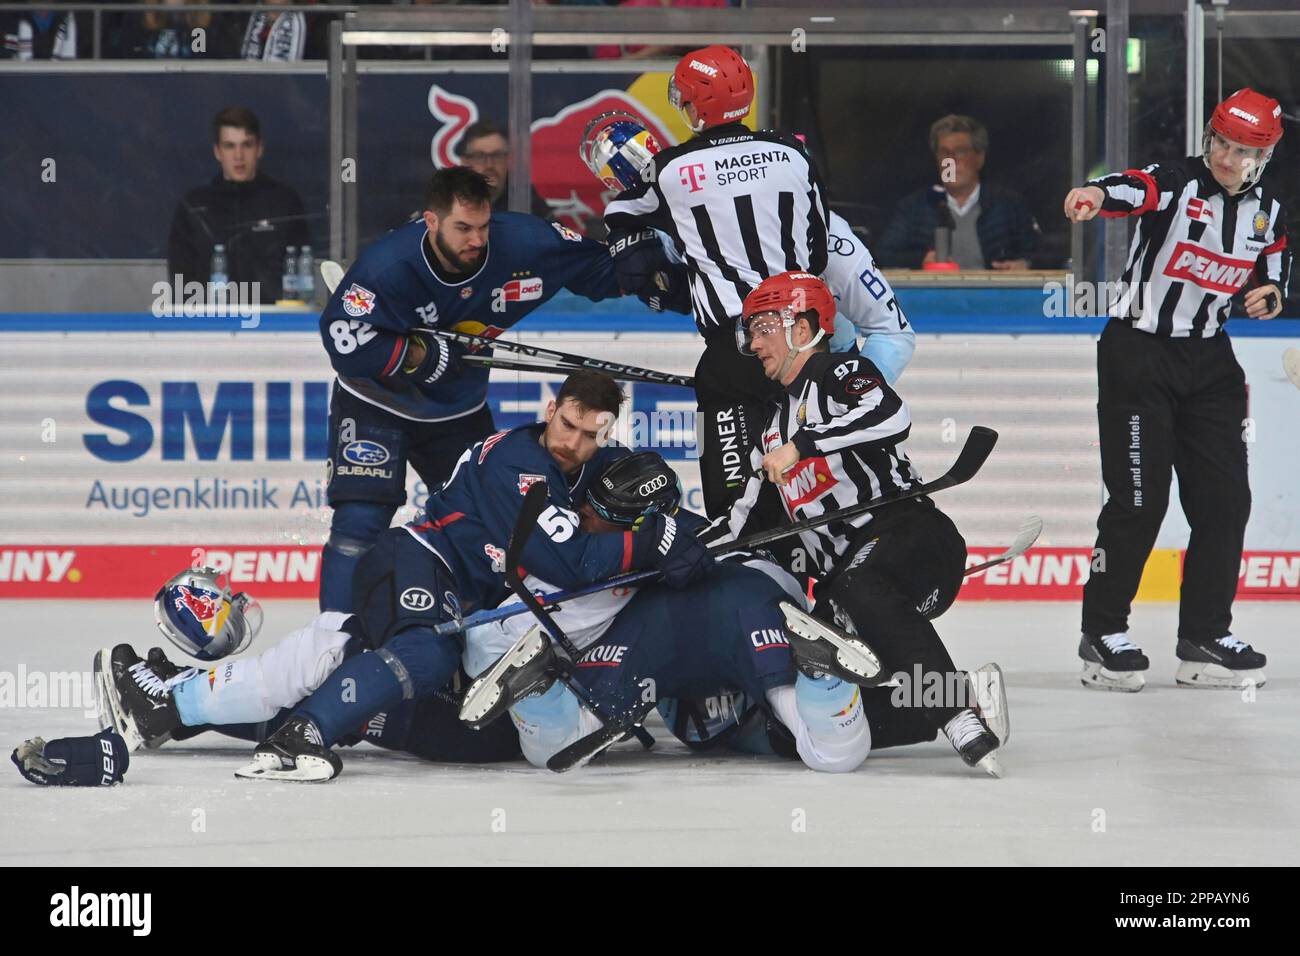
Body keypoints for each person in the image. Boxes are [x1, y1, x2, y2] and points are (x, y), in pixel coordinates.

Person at [243, 371, 712, 780]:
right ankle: (299, 738)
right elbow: (569, 561)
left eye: (590, 434)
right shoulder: (518, 463)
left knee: (461, 733)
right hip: (420, 560)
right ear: (551, 410)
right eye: (568, 425)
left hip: (464, 595)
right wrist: (653, 543)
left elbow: (655, 503)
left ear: (606, 435)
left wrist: (688, 536)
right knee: (424, 655)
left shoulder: (598, 465)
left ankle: (190, 707)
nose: (573, 443)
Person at [315, 166, 675, 613]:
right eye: (463, 228)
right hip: (375, 402)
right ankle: (333, 641)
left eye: (483, 226)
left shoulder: (527, 242)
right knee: (358, 524)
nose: (477, 240)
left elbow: (601, 270)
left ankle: (472, 628)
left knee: (486, 524)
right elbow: (341, 336)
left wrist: (654, 270)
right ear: (431, 222)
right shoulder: (386, 266)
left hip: (457, 411)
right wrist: (417, 356)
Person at [697, 271, 1004, 775]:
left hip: (914, 540)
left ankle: (958, 714)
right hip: (851, 586)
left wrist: (804, 446)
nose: (753, 344)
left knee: (859, 583)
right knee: (801, 718)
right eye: (749, 332)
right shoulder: (771, 431)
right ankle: (955, 701)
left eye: (762, 328)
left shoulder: (840, 374)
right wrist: (679, 550)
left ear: (802, 329)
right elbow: (740, 523)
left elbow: (890, 414)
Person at [1063, 88, 1288, 692]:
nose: (1227, 157)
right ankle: (1102, 632)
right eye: (1221, 142)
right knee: (1139, 501)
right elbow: (1135, 186)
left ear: (1263, 157)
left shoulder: (1267, 208)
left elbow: (1272, 257)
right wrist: (1095, 194)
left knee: (1225, 502)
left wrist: (1271, 293)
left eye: (1243, 150)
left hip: (1210, 362)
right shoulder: (1179, 182)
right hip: (1139, 353)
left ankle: (1205, 636)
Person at [603, 45, 831, 520]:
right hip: (808, 344)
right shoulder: (793, 151)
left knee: (732, 506)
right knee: (812, 492)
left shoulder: (671, 168)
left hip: (734, 357)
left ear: (694, 105)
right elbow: (818, 252)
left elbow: (620, 216)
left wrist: (659, 275)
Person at [166, 106, 309, 303]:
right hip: (211, 325)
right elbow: (181, 282)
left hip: (273, 325)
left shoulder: (284, 201)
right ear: (217, 151)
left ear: (259, 148)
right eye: (230, 146)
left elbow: (301, 273)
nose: (239, 156)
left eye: (247, 145)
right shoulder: (194, 206)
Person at [875, 114, 1039, 271]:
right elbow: (882, 254)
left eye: (960, 151)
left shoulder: (1008, 205)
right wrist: (921, 259)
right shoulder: (914, 207)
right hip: (933, 297)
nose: (951, 160)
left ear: (979, 157)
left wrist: (1024, 264)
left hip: (994, 297)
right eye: (944, 153)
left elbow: (1044, 254)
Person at [456, 119, 552, 218]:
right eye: (480, 156)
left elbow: (559, 232)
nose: (489, 165)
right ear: (465, 162)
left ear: (508, 160)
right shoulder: (449, 200)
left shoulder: (527, 201)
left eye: (497, 156)